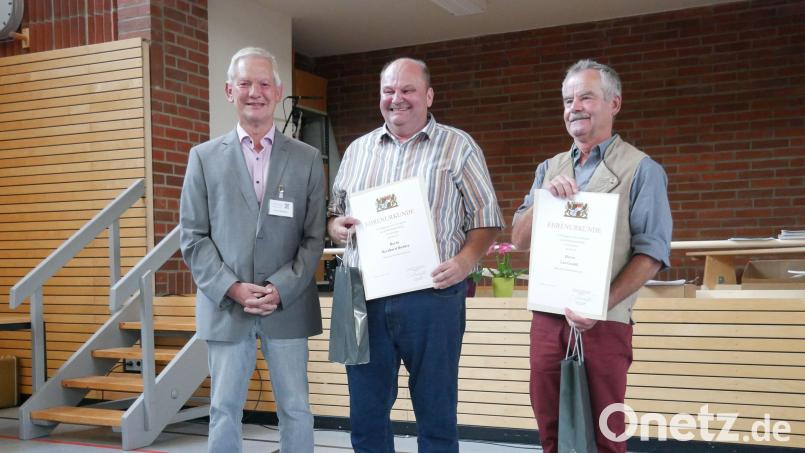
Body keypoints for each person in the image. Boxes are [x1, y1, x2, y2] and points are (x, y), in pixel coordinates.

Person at [327, 57, 503, 452]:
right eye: (388, 91)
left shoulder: (458, 146)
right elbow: (335, 213)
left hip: (433, 296)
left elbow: (486, 218)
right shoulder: (357, 151)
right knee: (366, 412)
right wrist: (335, 227)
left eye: (407, 90)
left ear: (428, 95)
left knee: (436, 409)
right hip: (363, 297)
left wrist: (465, 261)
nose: (397, 99)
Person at [511, 59, 672, 453]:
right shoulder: (549, 168)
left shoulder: (642, 169)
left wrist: (599, 304)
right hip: (548, 319)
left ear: (614, 103)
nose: (574, 107)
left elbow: (651, 254)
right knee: (550, 428)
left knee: (605, 433)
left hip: (605, 322)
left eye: (586, 97)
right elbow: (518, 240)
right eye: (568, 100)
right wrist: (544, 197)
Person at [179, 47, 325, 453]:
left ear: (278, 92)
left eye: (264, 84)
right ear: (229, 90)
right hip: (226, 307)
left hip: (289, 305)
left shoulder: (308, 160)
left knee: (296, 408)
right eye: (245, 83)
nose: (254, 92)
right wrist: (233, 288)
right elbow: (192, 236)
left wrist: (280, 288)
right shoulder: (203, 159)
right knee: (224, 408)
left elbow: (313, 238)